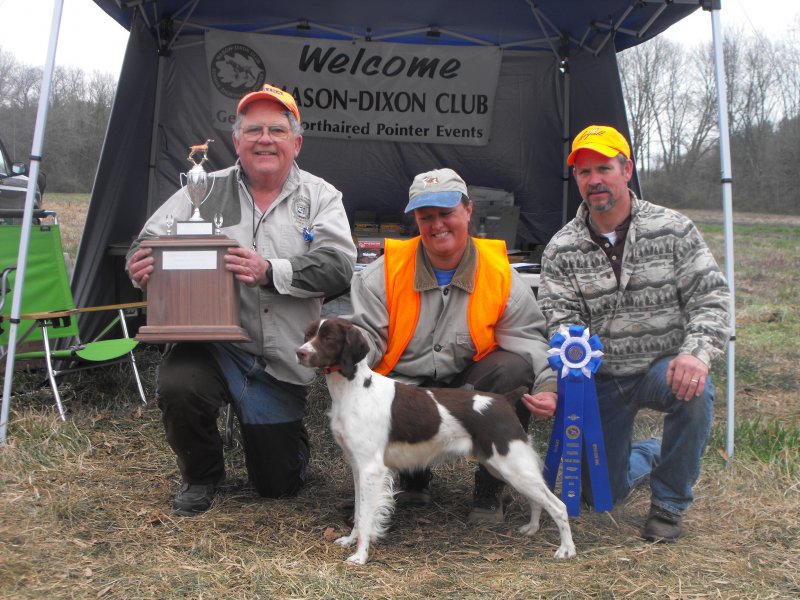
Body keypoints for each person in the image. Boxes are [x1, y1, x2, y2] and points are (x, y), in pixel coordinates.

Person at [126, 84, 357, 516]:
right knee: (180, 385)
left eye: (276, 129)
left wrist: (270, 271)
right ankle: (201, 475)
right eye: (253, 130)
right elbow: (147, 241)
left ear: (296, 141)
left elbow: (338, 266)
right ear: (237, 141)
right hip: (212, 345)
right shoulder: (203, 189)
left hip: (282, 360)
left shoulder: (322, 197)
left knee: (278, 486)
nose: (264, 139)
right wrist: (138, 265)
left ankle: (284, 450)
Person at [538, 124, 731, 542]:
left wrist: (696, 353)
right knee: (602, 494)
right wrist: (560, 382)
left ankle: (669, 503)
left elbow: (711, 297)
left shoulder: (674, 229)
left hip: (664, 366)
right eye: (584, 173)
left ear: (626, 169)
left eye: (604, 168)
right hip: (600, 380)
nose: (594, 181)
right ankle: (652, 452)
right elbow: (560, 324)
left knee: (695, 391)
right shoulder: (561, 248)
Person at [348, 167, 558, 523]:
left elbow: (530, 342)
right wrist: (343, 361)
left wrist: (549, 386)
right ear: (416, 219)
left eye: (446, 213)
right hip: (406, 389)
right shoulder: (381, 274)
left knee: (513, 369)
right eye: (425, 216)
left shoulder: (500, 275)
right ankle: (412, 478)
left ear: (468, 210)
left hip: (467, 383)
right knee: (381, 392)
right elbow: (368, 340)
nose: (436, 225)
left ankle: (491, 490)